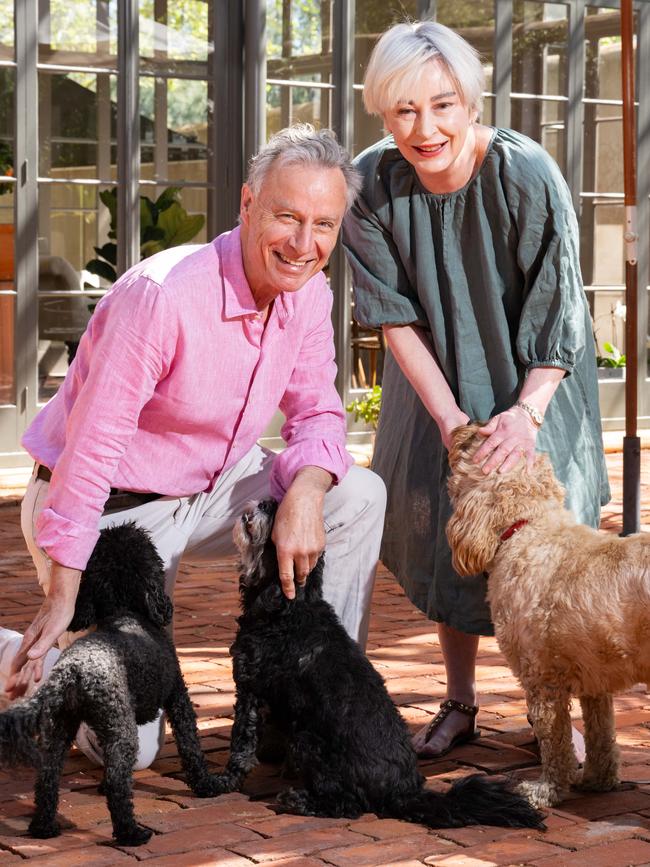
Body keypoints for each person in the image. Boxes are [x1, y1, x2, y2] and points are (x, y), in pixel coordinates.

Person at [0, 124, 386, 767]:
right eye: (287, 216)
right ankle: (40, 656)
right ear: (246, 204)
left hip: (212, 487)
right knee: (129, 747)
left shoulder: (309, 292)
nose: (303, 243)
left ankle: (319, 712)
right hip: (108, 510)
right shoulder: (163, 297)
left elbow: (318, 410)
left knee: (358, 495)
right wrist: (64, 589)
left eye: (323, 224)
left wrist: (307, 491)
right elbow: (91, 448)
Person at [342, 21, 609, 759]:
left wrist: (526, 413)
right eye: (403, 111)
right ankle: (459, 703)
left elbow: (559, 306)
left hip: (534, 375)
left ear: (470, 102)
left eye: (442, 106)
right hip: (434, 381)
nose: (424, 129)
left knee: (550, 540)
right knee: (441, 532)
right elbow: (394, 320)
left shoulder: (526, 175)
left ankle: (561, 710)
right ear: (382, 112)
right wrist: (451, 419)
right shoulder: (367, 187)